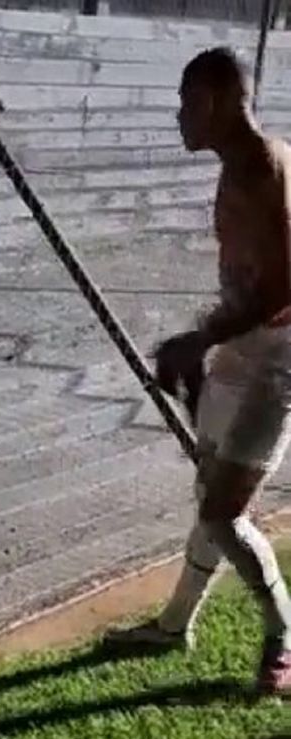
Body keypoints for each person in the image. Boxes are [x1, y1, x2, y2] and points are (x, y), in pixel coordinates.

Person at [106, 47, 291, 695]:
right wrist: (210, 339)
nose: (179, 116)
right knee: (211, 500)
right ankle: (174, 625)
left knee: (223, 510)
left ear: (215, 101)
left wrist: (196, 339)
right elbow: (247, 282)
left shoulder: (268, 169)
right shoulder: (235, 167)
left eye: (186, 102)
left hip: (279, 365)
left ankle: (282, 636)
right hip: (240, 353)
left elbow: (283, 289)